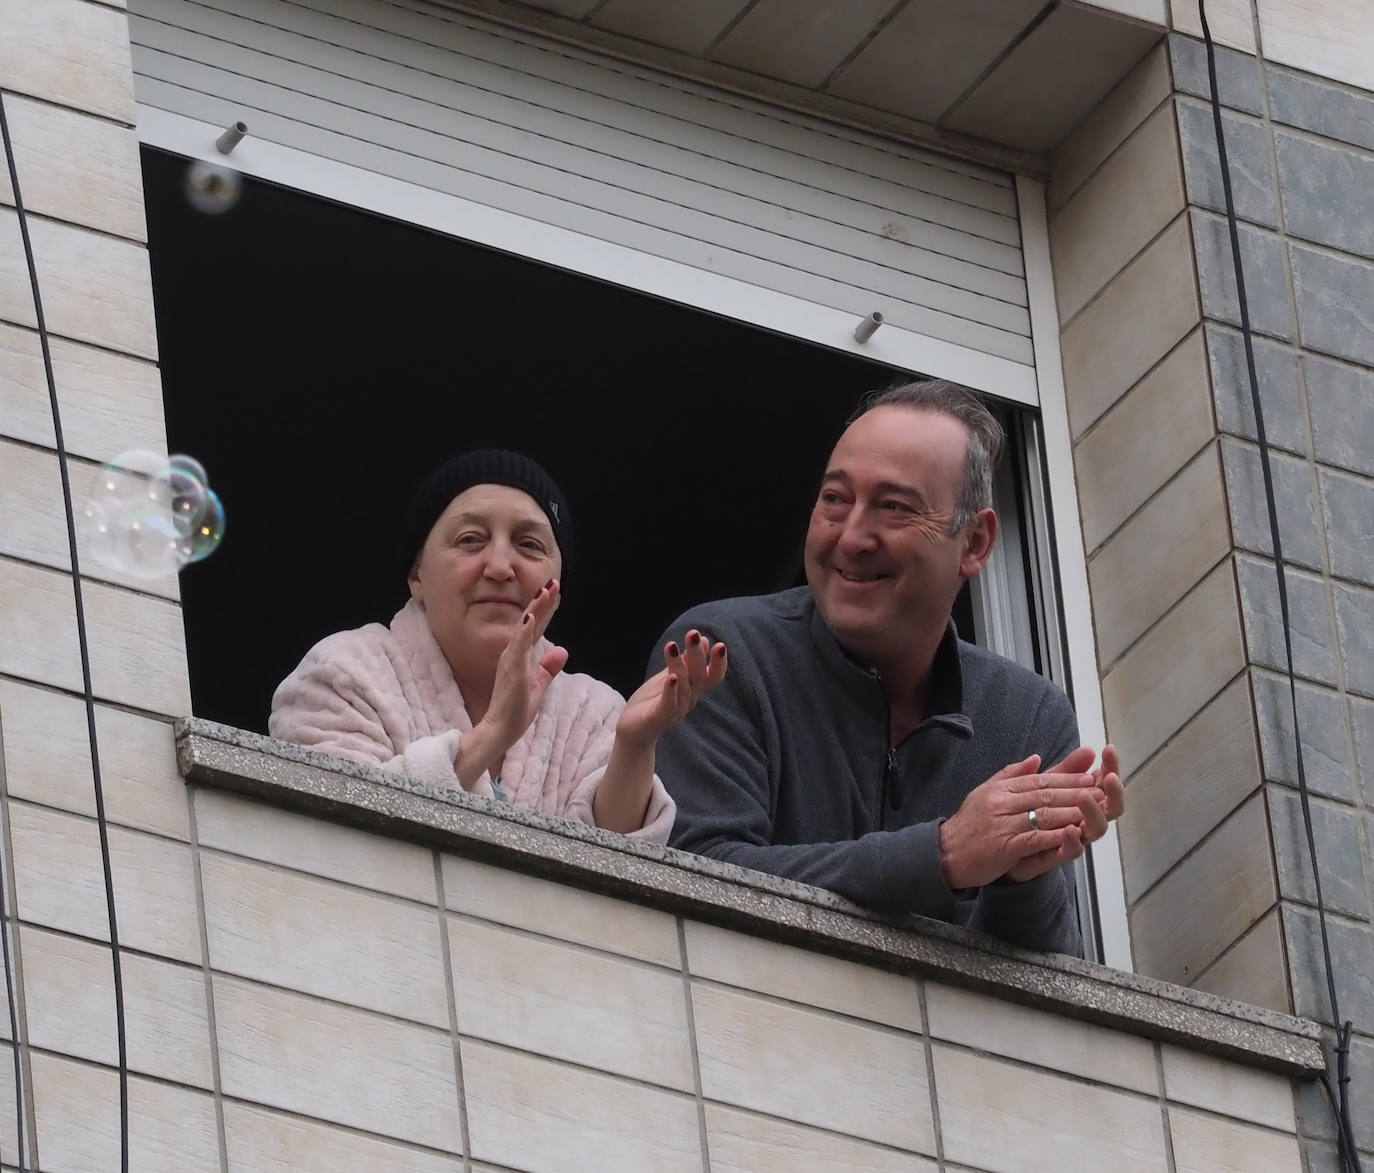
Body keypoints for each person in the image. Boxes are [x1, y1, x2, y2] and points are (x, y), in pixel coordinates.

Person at [652, 380, 1124, 954]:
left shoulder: (1028, 717)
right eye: (834, 499)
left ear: (974, 543)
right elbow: (692, 876)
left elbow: (1046, 981)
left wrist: (1021, 874)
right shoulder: (721, 653)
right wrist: (944, 854)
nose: (852, 537)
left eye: (894, 507)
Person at [271, 449, 726, 842]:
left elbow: (616, 886)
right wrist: (492, 735)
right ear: (416, 575)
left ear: (559, 580)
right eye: (470, 540)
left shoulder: (593, 713)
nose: (501, 567)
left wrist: (635, 745)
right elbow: (332, 835)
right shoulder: (344, 674)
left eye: (529, 545)